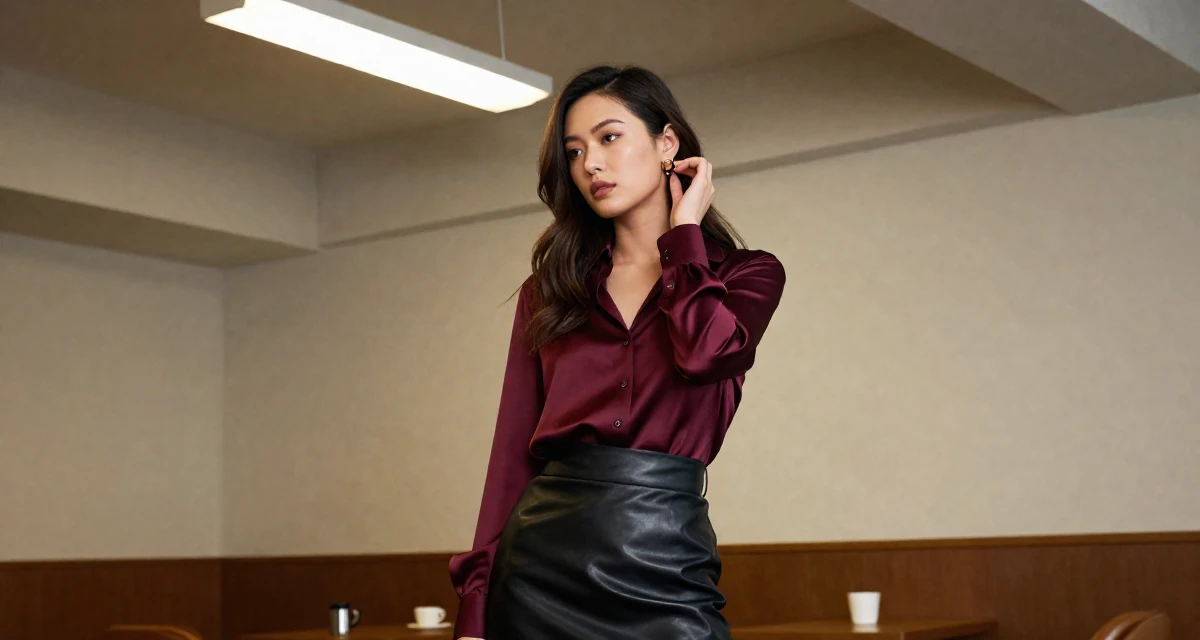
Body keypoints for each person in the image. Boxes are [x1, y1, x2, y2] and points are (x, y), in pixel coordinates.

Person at [448, 65, 787, 640]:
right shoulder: (548, 292)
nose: (591, 165)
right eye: (575, 152)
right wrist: (476, 607)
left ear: (667, 143)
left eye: (608, 138)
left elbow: (707, 355)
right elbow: (511, 450)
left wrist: (685, 232)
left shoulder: (748, 274)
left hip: (668, 561)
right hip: (538, 572)